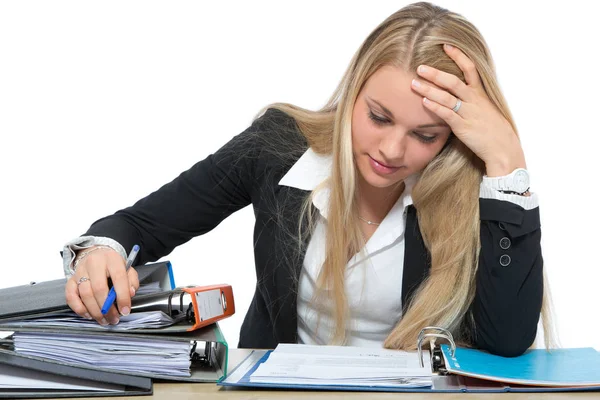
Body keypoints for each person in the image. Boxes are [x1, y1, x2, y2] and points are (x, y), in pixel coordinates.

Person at [62, 1, 554, 357]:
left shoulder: (476, 187)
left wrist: (509, 163)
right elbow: (139, 226)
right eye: (378, 117)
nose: (391, 150)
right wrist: (101, 248)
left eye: (425, 135)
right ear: (353, 90)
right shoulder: (276, 147)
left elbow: (505, 341)